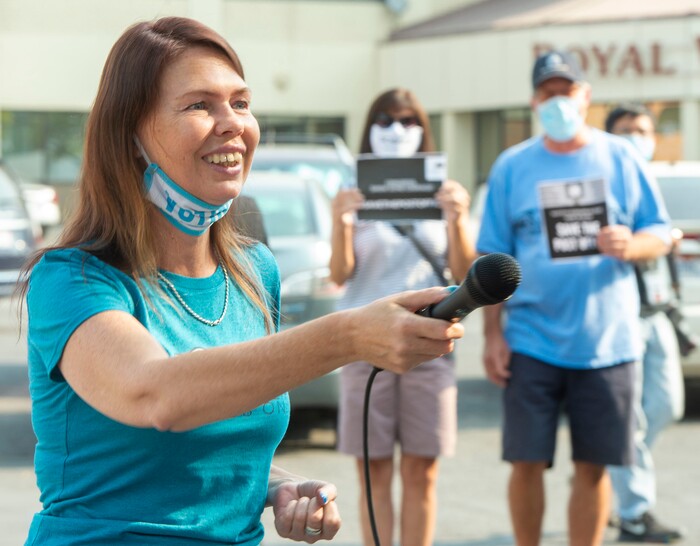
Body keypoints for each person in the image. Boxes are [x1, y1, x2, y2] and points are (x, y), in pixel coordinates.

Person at [18, 18, 466, 546]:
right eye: (199, 105)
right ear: (130, 135)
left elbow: (197, 455)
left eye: (241, 103)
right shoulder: (71, 278)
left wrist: (276, 487)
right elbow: (155, 396)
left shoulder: (256, 270)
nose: (232, 123)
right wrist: (346, 337)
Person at [476, 51, 672, 546]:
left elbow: (661, 233)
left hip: (608, 342)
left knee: (594, 467)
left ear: (585, 97)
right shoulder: (512, 166)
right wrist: (493, 336)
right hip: (531, 340)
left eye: (568, 91)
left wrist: (633, 244)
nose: (559, 100)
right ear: (534, 101)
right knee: (525, 463)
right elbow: (492, 259)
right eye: (549, 92)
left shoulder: (621, 157)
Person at [329, 88, 476, 546]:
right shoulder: (352, 190)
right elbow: (340, 272)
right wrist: (341, 221)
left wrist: (458, 218)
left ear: (423, 129)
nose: (397, 130)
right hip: (364, 344)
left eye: (408, 121)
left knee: (421, 469)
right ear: (370, 127)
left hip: (429, 340)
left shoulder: (441, 189)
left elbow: (463, 272)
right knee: (373, 470)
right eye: (387, 120)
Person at [604, 103, 685, 543]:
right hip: (620, 317)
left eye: (643, 131)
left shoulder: (656, 184)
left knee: (667, 404)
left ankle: (615, 466)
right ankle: (634, 511)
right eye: (625, 130)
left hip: (658, 313)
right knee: (629, 419)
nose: (636, 138)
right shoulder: (604, 185)